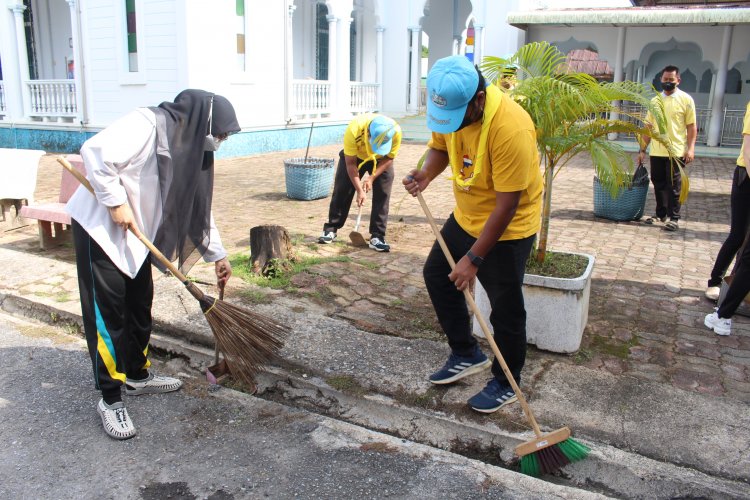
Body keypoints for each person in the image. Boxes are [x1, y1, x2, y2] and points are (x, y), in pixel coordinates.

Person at [66, 89, 240, 440]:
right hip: (100, 229)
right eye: (218, 133)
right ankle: (111, 399)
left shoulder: (193, 151)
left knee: (140, 303)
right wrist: (115, 202)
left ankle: (137, 375)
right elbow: (95, 152)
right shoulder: (145, 124)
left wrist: (217, 254)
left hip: (136, 234)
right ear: (200, 123)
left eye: (223, 137)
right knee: (108, 313)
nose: (219, 142)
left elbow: (197, 208)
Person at [403, 55, 542, 413]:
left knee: (504, 309)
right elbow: (439, 147)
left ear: (479, 99)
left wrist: (474, 259)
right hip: (466, 215)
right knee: (437, 275)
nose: (452, 125)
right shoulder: (451, 105)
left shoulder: (512, 128)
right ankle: (466, 353)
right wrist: (425, 175)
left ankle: (506, 381)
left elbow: (507, 205)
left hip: (508, 228)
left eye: (458, 117)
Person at [318, 113, 402, 252]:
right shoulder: (354, 129)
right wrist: (359, 190)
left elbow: (389, 158)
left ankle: (377, 236)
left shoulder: (396, 131)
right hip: (356, 157)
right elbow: (350, 164)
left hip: (381, 160)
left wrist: (372, 178)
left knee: (383, 193)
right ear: (368, 133)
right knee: (342, 189)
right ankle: (331, 228)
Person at [637, 65, 697, 232]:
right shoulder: (655, 101)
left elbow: (692, 127)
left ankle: (674, 217)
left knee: (674, 186)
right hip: (656, 150)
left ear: (678, 80)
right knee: (658, 183)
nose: (668, 82)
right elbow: (648, 127)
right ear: (661, 80)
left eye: (671, 80)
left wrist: (690, 148)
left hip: (676, 151)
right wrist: (642, 150)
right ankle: (660, 214)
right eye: (665, 79)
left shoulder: (686, 100)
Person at [705, 101, 750, 301]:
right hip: (746, 177)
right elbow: (748, 149)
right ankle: (716, 281)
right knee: (739, 235)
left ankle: (738, 286)